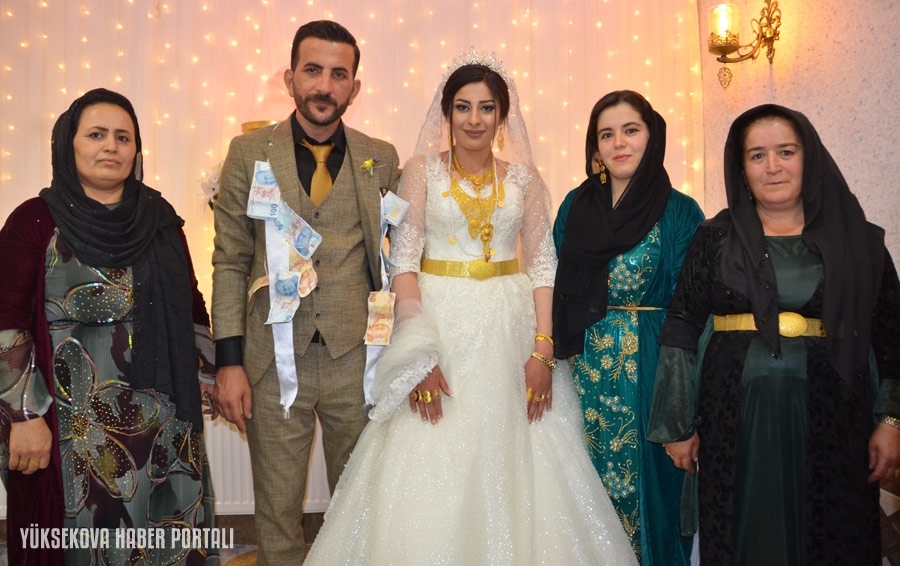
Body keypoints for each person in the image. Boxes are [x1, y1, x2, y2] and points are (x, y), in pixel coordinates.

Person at [303, 50, 637, 565]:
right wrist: (417, 353)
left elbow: (543, 266)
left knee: (523, 455)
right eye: (463, 107)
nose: (474, 119)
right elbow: (403, 263)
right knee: (431, 451)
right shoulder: (420, 172)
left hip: (511, 330)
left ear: (502, 116)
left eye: (486, 108)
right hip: (439, 324)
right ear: (447, 113)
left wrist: (543, 350)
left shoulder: (525, 180)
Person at [648, 104, 900, 566]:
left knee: (831, 536)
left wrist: (891, 420)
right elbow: (682, 326)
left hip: (836, 420)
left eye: (786, 151)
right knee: (741, 533)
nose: (773, 166)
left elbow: (892, 336)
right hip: (731, 420)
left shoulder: (859, 242)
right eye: (757, 155)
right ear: (742, 168)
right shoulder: (714, 238)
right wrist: (676, 424)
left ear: (810, 158)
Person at [0, 88, 218, 565]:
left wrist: (215, 375)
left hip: (165, 423)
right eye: (96, 135)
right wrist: (24, 417)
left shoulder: (161, 219)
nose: (111, 146)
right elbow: (5, 326)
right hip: (73, 428)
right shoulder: (33, 222)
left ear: (136, 150)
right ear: (69, 143)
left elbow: (191, 307)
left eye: (123, 137)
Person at [210, 20, 401, 564]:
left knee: (359, 508)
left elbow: (396, 260)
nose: (324, 85)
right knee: (276, 513)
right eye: (313, 70)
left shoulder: (381, 157)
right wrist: (229, 361)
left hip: (356, 359)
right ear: (289, 77)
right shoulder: (249, 152)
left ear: (355, 87)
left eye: (339, 75)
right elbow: (230, 259)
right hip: (270, 362)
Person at [552, 90, 704, 564]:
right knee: (580, 491)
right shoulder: (574, 207)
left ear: (651, 136)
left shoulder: (680, 211)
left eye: (631, 130)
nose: (619, 143)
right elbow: (554, 286)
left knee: (654, 496)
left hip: (654, 369)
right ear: (594, 147)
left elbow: (692, 310)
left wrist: (682, 408)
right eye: (607, 134)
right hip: (581, 371)